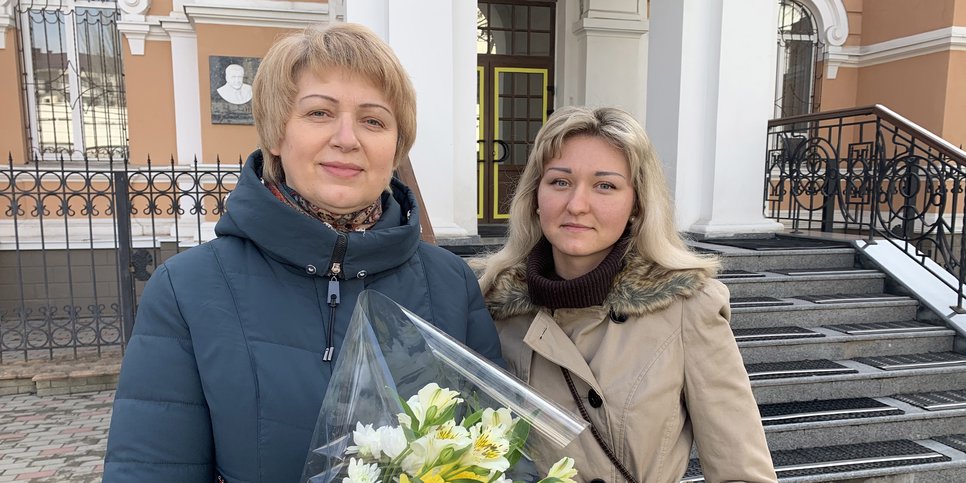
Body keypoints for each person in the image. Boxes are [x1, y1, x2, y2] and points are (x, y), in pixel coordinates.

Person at [104, 23, 503, 482]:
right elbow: (151, 469)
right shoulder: (189, 289)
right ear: (276, 134)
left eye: (373, 120)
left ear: (396, 148)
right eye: (319, 113)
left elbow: (499, 448)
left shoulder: (450, 283)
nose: (347, 138)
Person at [477, 106, 776, 482]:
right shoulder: (493, 307)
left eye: (606, 185)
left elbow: (742, 471)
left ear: (636, 205)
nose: (577, 204)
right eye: (559, 182)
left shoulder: (686, 306)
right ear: (536, 197)